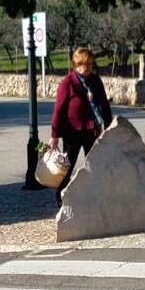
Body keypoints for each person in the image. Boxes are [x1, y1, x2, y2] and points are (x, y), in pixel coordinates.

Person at [49, 47, 113, 206]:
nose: (90, 67)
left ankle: (95, 196)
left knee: (95, 163)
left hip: (93, 130)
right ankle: (62, 197)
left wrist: (110, 126)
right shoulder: (68, 83)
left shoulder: (95, 80)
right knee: (67, 166)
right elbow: (59, 109)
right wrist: (54, 135)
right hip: (73, 131)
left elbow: (104, 104)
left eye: (92, 64)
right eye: (87, 64)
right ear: (77, 64)